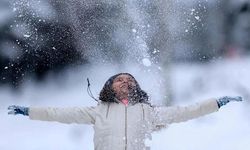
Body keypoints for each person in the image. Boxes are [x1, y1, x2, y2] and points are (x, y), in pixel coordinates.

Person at [8, 73, 242, 150]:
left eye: (129, 79)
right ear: (109, 87)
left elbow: (185, 111)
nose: (125, 82)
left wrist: (216, 103)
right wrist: (29, 111)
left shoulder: (148, 112)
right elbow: (58, 113)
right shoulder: (98, 111)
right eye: (119, 80)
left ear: (136, 87)